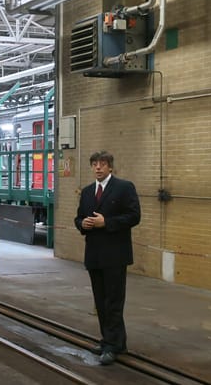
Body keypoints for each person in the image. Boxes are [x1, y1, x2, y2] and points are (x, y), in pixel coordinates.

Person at [74, 150, 141, 365]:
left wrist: (107, 223)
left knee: (113, 301)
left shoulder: (124, 188)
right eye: (94, 164)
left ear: (110, 167)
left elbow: (134, 216)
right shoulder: (86, 192)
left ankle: (114, 345)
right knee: (100, 301)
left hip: (115, 255)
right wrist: (81, 224)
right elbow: (79, 216)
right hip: (94, 255)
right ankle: (109, 341)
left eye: (102, 164)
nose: (98, 168)